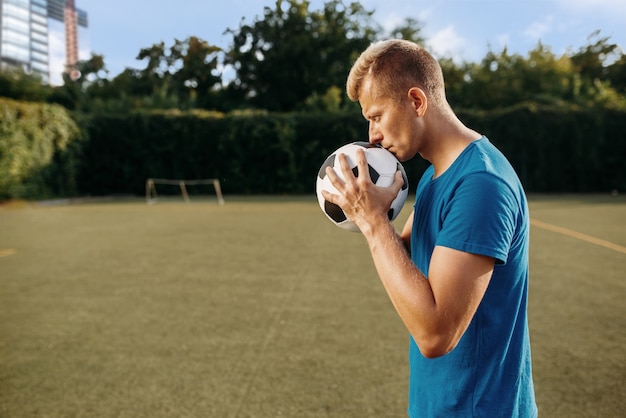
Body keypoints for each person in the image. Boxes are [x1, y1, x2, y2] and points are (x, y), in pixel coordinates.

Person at [322, 39, 538, 417]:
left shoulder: (481, 183)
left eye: (376, 116)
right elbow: (408, 262)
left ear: (417, 101)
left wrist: (374, 223)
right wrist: (367, 213)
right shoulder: (433, 181)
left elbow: (435, 333)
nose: (371, 135)